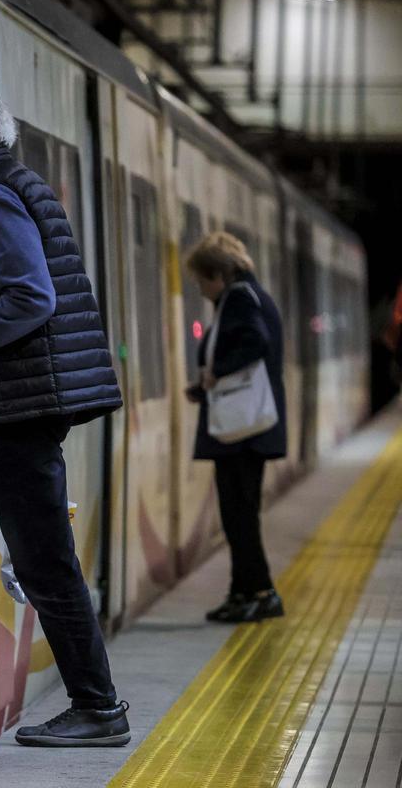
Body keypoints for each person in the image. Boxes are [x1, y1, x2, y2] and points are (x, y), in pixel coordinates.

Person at [0, 82, 128, 747]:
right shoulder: (5, 182)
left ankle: (99, 708)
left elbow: (31, 297)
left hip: (18, 407)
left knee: (46, 563)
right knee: (25, 550)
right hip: (17, 403)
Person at [184, 232, 286, 624]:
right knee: (239, 514)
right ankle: (243, 593)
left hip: (243, 433)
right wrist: (204, 387)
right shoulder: (250, 296)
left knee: (239, 515)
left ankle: (261, 592)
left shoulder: (240, 298)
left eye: (201, 280)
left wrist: (215, 376)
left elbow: (254, 345)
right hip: (247, 429)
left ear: (219, 275)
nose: (201, 288)